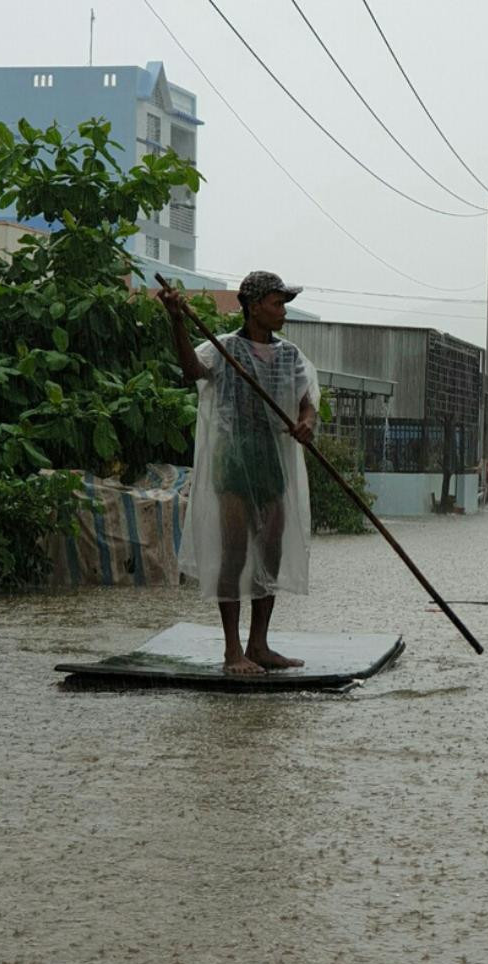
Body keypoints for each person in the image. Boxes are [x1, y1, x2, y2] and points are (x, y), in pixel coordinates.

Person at [160, 270, 320, 676]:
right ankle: (233, 650)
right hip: (234, 458)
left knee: (271, 550)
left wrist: (307, 422)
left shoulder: (289, 355)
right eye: (276, 302)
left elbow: (307, 401)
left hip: (272, 460)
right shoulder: (224, 348)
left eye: (284, 302)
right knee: (233, 552)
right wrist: (177, 319)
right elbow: (192, 367)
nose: (282, 310)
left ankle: (259, 644)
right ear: (252, 307)